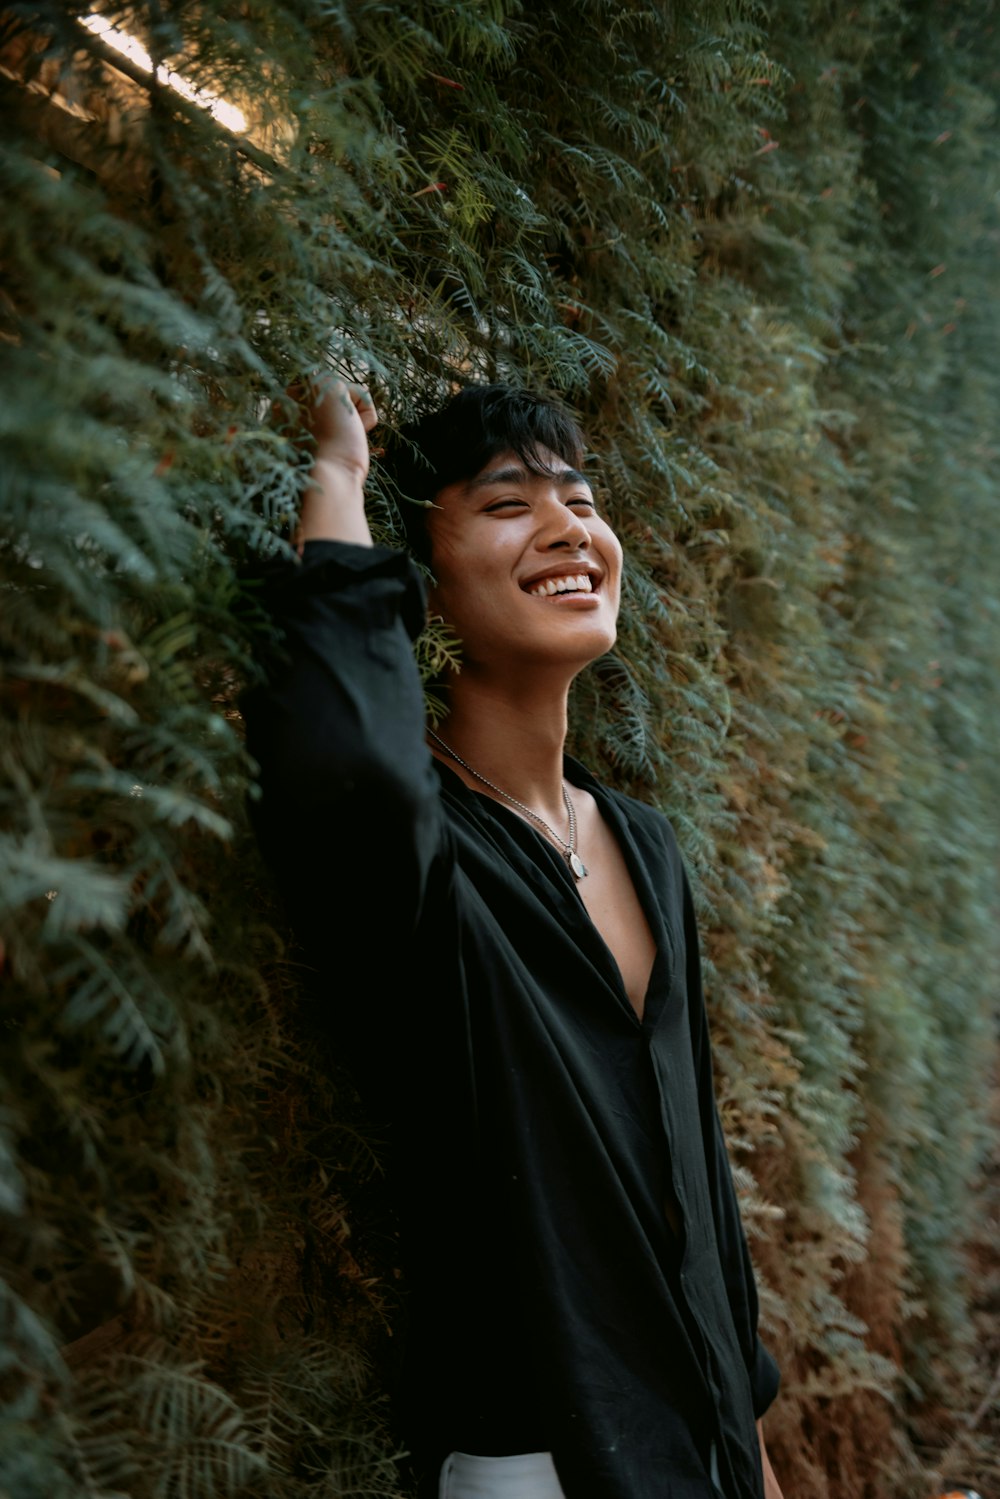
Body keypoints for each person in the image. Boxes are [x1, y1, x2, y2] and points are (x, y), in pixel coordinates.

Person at [243, 378, 784, 1499]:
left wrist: (758, 1457)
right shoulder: (424, 854)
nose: (567, 526)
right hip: (537, 1461)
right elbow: (352, 762)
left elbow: (698, 1192)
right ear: (418, 586)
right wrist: (341, 475)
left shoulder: (644, 843)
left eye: (579, 497)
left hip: (707, 1454)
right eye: (504, 504)